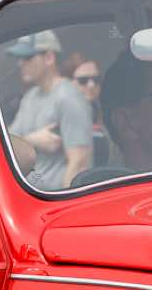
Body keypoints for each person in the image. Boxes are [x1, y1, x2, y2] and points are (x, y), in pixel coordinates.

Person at [6, 30, 92, 190]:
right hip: (27, 194)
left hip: (52, 197)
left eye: (27, 57)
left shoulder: (69, 98)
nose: (20, 63)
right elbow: (7, 143)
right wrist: (32, 140)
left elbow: (79, 163)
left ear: (49, 58)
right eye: (20, 58)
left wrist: (65, 201)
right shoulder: (30, 97)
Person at [68, 56, 112, 166]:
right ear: (68, 82)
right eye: (83, 80)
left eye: (96, 80)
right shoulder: (59, 115)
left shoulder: (105, 114)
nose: (91, 85)